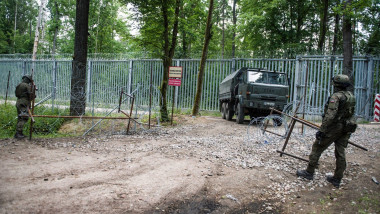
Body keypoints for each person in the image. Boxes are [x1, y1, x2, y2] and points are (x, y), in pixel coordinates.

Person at [296, 74, 357, 188]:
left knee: (317, 147)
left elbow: (330, 115)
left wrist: (322, 130)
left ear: (336, 84)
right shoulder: (351, 96)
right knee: (340, 152)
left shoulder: (336, 97)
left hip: (335, 127)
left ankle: (309, 172)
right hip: (346, 127)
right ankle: (337, 178)